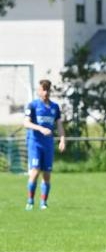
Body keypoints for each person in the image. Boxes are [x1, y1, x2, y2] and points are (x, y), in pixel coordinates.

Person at [24, 79, 66, 210]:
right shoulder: (32, 105)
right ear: (39, 91)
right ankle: (30, 201)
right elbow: (26, 123)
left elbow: (59, 124)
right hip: (35, 143)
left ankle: (43, 203)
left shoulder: (55, 107)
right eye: (43, 89)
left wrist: (62, 139)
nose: (46, 92)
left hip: (48, 144)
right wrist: (40, 128)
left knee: (47, 174)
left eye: (48, 89)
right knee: (35, 171)